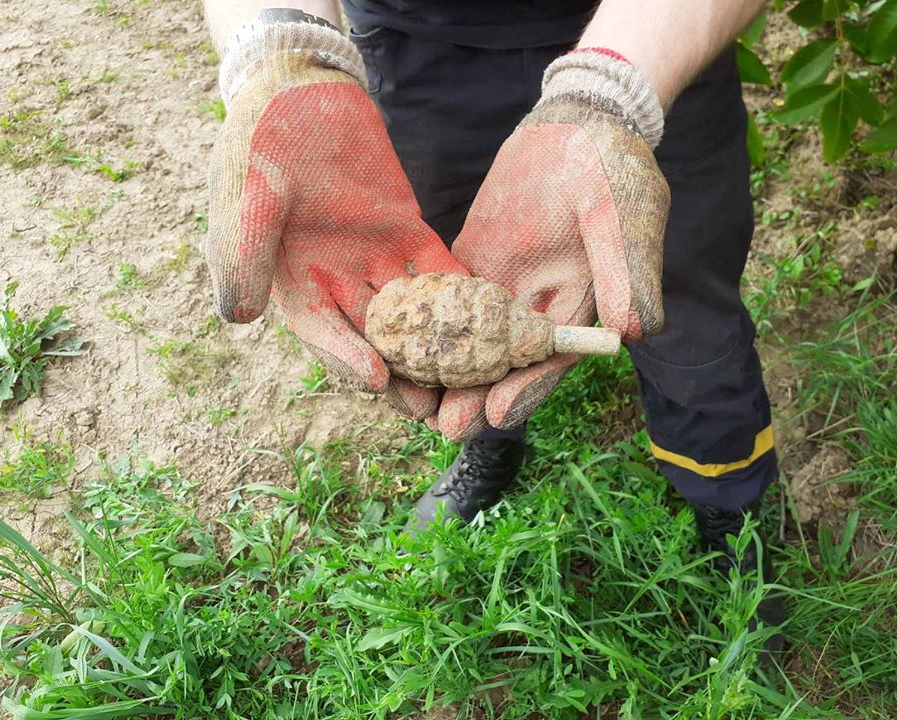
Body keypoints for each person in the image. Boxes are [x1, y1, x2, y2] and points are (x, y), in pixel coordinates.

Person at [202, 0, 784, 648]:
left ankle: (731, 501)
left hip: (653, 38)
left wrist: (611, 90)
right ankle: (491, 442)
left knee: (681, 308)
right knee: (452, 251)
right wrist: (282, 49)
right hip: (420, 47)